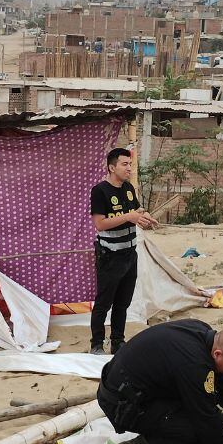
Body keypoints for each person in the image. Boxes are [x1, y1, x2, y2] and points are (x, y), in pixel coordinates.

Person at [97, 318, 223, 444]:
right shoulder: (194, 364)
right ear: (218, 354)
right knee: (198, 432)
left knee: (207, 414)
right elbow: (205, 418)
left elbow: (221, 378)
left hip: (131, 389)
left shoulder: (204, 334)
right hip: (121, 403)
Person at [89, 148, 156, 355]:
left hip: (130, 254)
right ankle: (97, 344)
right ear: (112, 167)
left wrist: (145, 218)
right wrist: (129, 217)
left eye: (130, 164)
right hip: (110, 255)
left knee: (122, 303)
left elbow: (135, 212)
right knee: (103, 302)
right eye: (124, 164)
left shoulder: (128, 188)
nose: (129, 168)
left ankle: (118, 341)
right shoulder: (100, 191)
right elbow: (100, 224)